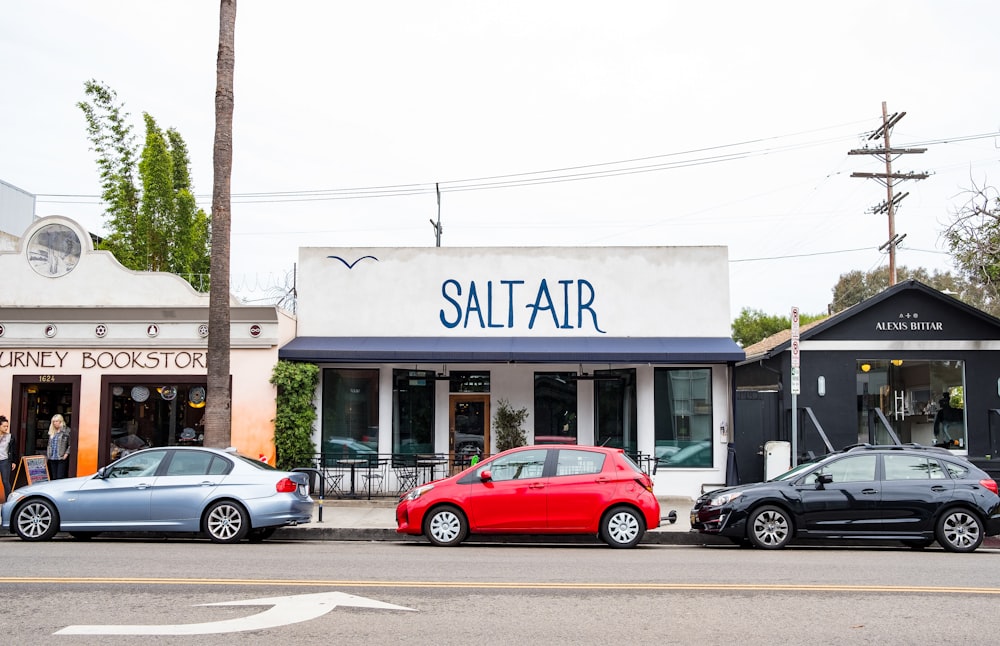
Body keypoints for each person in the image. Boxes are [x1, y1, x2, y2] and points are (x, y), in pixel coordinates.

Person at [46, 414, 71, 480]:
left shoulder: (66, 431)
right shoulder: (52, 431)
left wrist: (66, 454)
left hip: (61, 457)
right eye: (53, 421)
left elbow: (70, 444)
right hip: (52, 457)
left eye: (57, 421)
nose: (55, 423)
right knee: (53, 477)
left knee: (60, 476)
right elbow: (49, 444)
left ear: (61, 421)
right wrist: (48, 454)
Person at [0, 415, 17, 498]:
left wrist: (13, 461)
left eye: (7, 426)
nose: (6, 428)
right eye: (4, 426)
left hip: (5, 461)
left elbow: (13, 450)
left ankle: (9, 500)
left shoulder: (10, 437)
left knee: (5, 481)